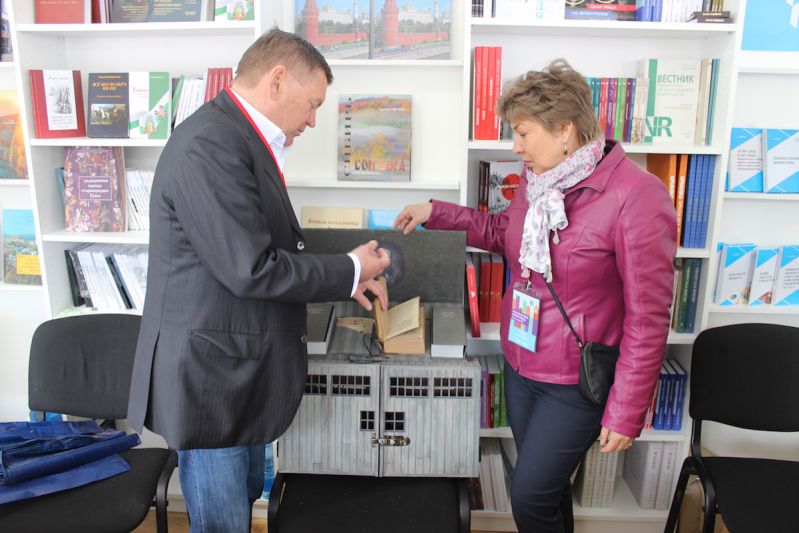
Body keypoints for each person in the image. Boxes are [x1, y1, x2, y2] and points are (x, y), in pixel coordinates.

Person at [395, 59, 676, 533]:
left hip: (575, 381)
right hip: (521, 364)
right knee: (548, 491)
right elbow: (503, 232)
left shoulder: (637, 196)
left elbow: (648, 317)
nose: (515, 146)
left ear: (564, 128)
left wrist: (627, 409)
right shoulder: (538, 178)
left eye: (523, 133)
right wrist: (435, 212)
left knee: (529, 497)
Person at [127, 28, 390, 532]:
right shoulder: (210, 144)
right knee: (223, 522)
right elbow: (251, 267)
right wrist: (351, 267)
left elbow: (258, 250)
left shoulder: (235, 136)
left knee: (242, 500)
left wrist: (344, 282)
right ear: (277, 80)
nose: (313, 120)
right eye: (312, 104)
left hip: (235, 367)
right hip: (212, 381)